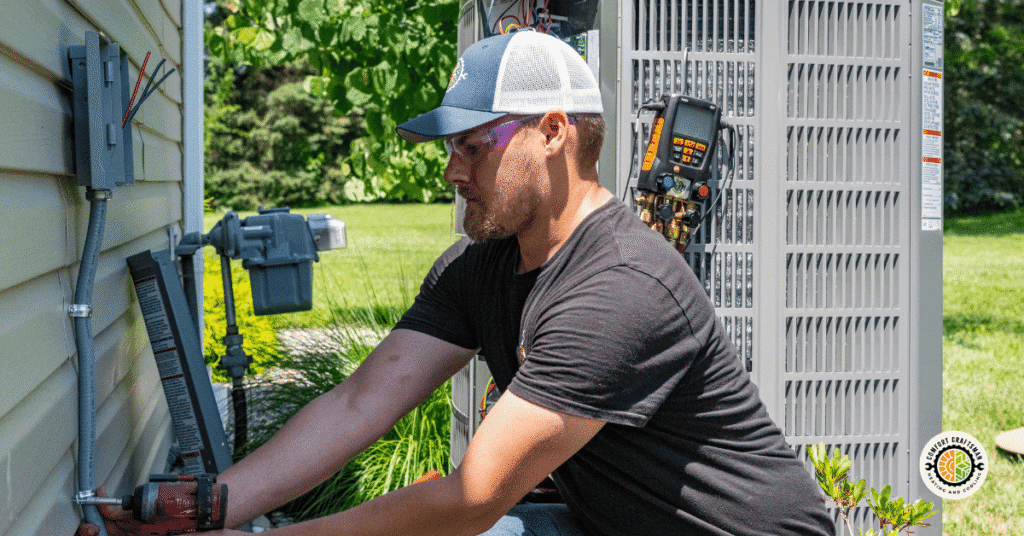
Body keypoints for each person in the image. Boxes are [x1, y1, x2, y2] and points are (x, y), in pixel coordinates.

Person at [84, 30, 833, 536]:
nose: (452, 171)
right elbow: (359, 401)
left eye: (473, 146)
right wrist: (213, 507)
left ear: (551, 132)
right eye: (452, 148)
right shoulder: (484, 267)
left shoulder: (620, 288)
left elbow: (472, 498)